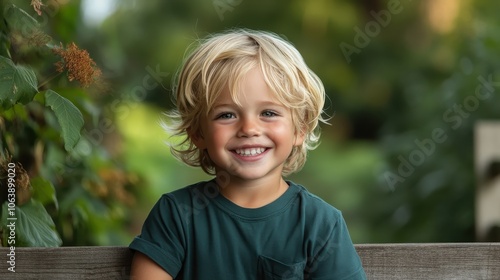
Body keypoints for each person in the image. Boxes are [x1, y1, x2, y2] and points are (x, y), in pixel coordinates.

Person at [129, 28, 366, 280]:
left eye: (269, 113)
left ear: (301, 128)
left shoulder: (320, 223)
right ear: (197, 133)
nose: (249, 129)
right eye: (226, 115)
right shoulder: (176, 215)